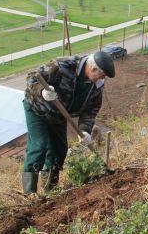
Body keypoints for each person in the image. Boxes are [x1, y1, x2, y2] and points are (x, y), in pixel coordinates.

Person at [22, 51, 115, 195]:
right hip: (37, 110)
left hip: (58, 115)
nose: (102, 79)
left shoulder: (95, 86)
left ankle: (50, 189)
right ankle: (29, 193)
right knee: (39, 145)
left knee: (60, 150)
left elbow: (90, 111)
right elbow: (31, 78)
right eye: (101, 75)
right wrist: (42, 92)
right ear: (93, 69)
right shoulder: (63, 66)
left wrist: (84, 130)